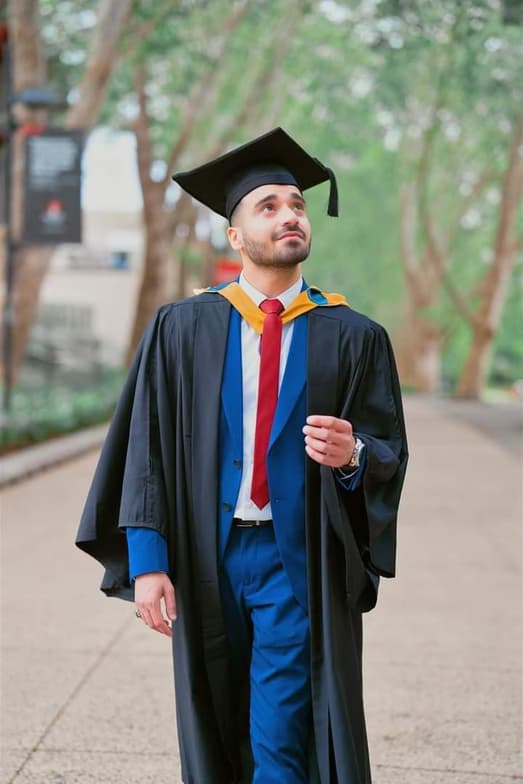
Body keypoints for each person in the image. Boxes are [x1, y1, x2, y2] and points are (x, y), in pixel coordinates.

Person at [76, 127, 408, 784]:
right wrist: (147, 562)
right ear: (235, 237)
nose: (289, 214)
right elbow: (148, 451)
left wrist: (350, 455)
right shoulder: (183, 329)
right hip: (205, 554)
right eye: (269, 206)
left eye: (296, 204)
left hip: (297, 559)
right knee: (212, 723)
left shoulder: (352, 336)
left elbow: (385, 451)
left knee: (280, 737)